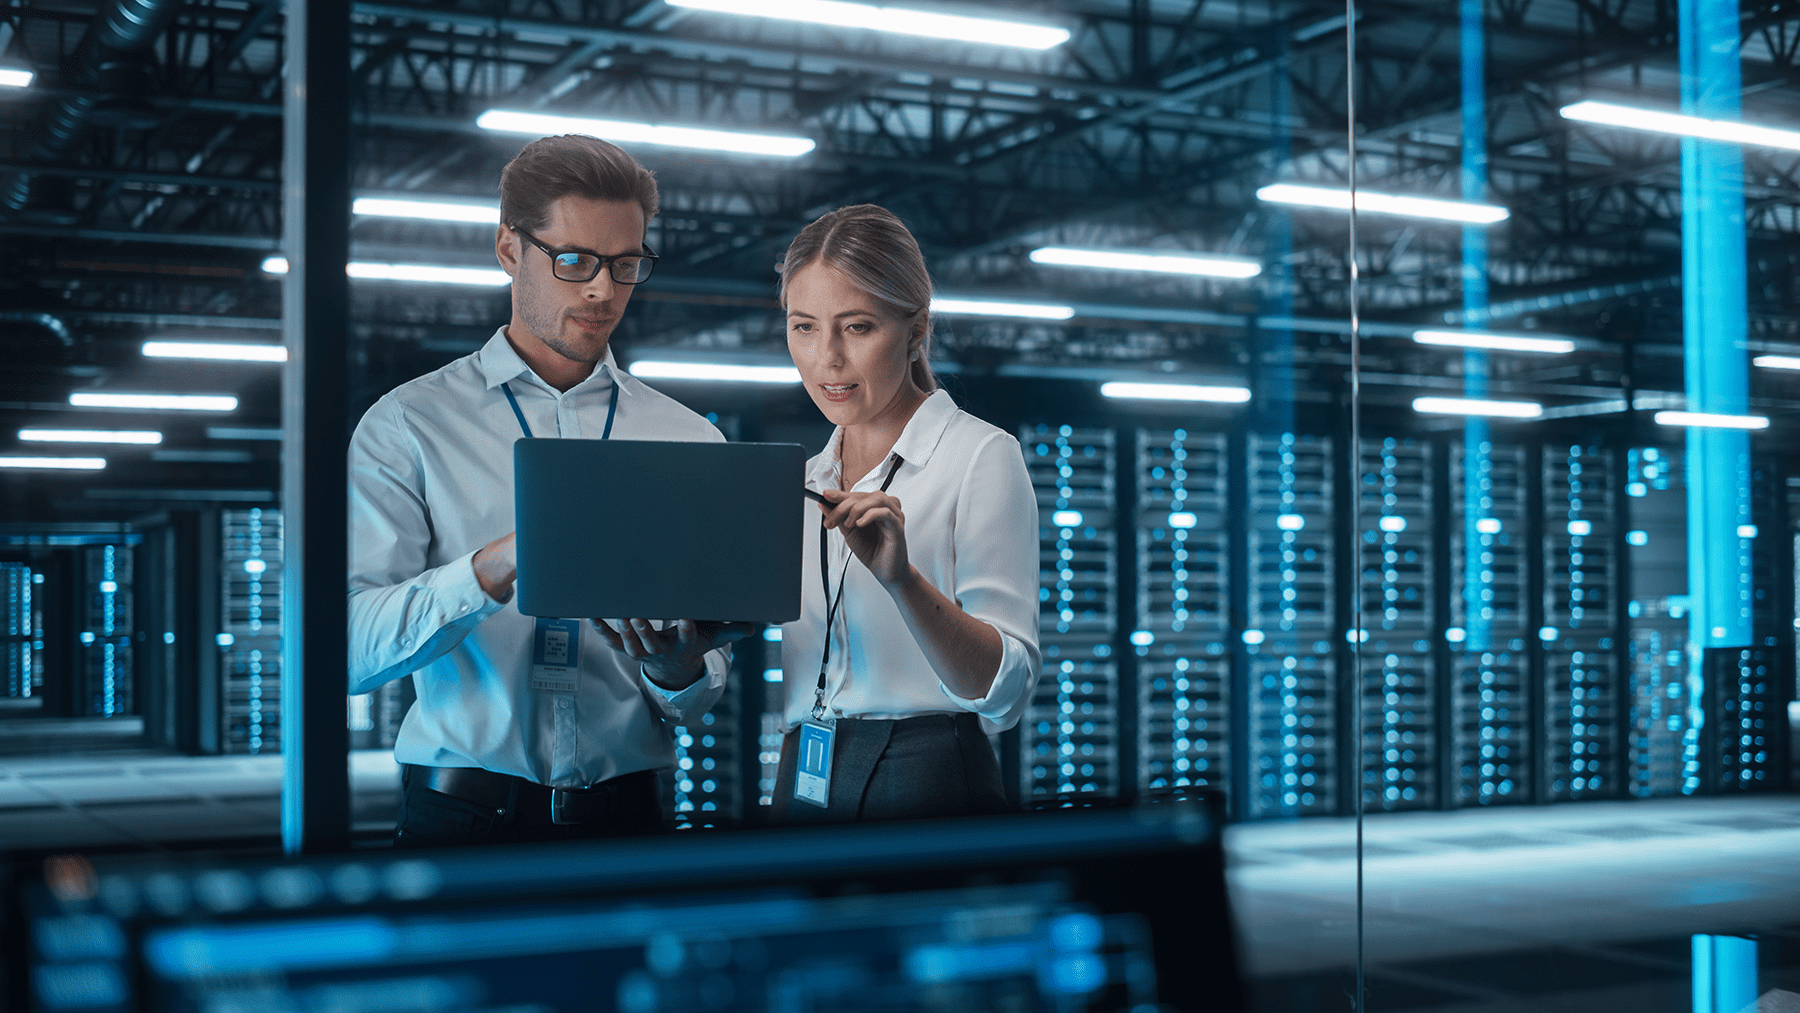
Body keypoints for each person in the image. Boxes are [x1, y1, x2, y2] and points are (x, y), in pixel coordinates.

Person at [348, 134, 747, 847]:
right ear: (509, 249)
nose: (602, 290)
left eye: (626, 265)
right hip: (462, 825)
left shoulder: (688, 439)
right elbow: (346, 651)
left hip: (631, 827)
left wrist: (678, 668)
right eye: (575, 261)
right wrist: (493, 565)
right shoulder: (409, 425)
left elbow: (697, 697)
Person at [771, 204, 1041, 823]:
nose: (827, 359)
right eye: (804, 327)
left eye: (857, 327)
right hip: (804, 769)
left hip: (928, 774)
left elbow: (1005, 693)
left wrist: (904, 582)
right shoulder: (806, 478)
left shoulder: (979, 457)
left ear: (916, 330)